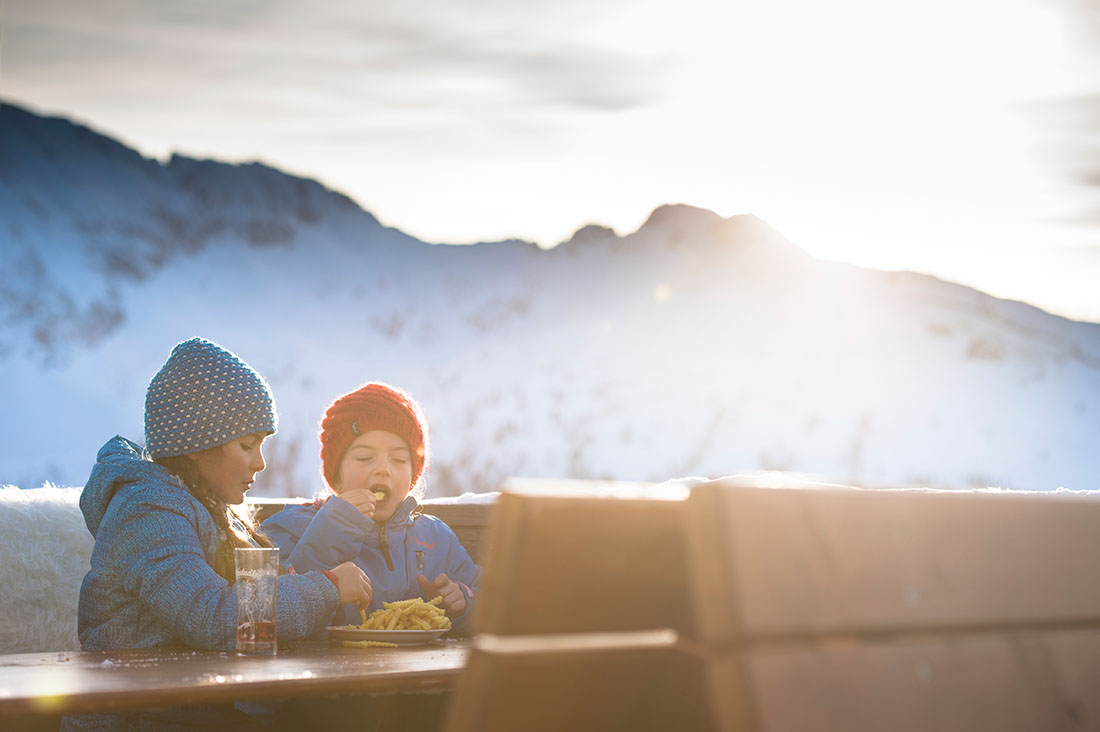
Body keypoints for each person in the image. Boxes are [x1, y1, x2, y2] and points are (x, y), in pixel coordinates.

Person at [63, 337, 372, 731]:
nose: (260, 463)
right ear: (196, 446)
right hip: (135, 715)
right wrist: (327, 586)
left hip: (193, 706)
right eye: (247, 445)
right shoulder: (148, 514)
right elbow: (212, 616)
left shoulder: (205, 506)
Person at [262, 382, 480, 636]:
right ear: (337, 475)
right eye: (365, 458)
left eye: (398, 459)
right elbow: (272, 610)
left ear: (413, 477)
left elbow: (493, 604)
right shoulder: (290, 528)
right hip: (328, 672)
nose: (383, 469)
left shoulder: (436, 538)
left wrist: (463, 602)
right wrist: (330, 533)